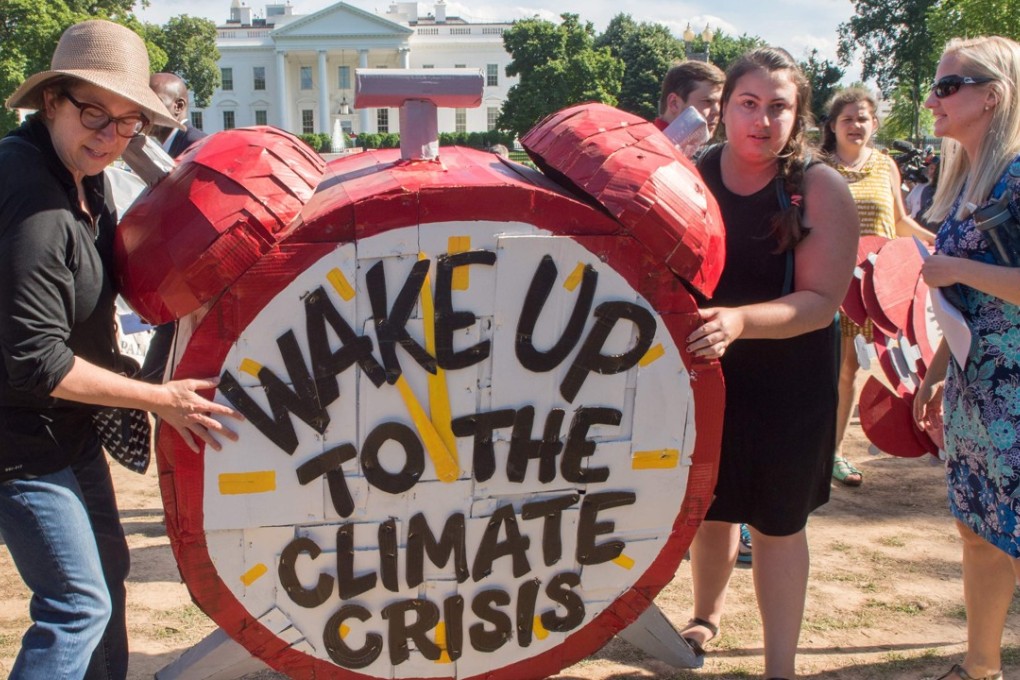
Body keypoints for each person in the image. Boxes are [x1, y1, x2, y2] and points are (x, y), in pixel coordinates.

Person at [0, 20, 241, 679]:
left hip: (66, 426)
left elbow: (119, 282)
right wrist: (160, 399)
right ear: (51, 102)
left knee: (108, 572)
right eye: (93, 114)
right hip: (18, 439)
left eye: (128, 123)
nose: (109, 138)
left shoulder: (85, 177)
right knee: (76, 603)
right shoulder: (32, 199)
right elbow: (35, 361)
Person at [683, 47, 857, 679]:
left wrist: (738, 321)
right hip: (710, 373)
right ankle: (704, 618)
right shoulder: (692, 174)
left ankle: (779, 667)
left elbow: (819, 303)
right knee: (712, 507)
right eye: (748, 104)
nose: (762, 120)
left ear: (799, 116)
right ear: (725, 108)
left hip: (792, 382)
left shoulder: (818, 186)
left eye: (778, 107)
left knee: (779, 523)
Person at [914, 35, 1020, 680]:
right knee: (977, 530)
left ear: (992, 95)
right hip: (974, 386)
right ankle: (980, 668)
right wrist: (932, 374)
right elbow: (960, 301)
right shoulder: (964, 182)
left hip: (1014, 391)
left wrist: (953, 265)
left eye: (947, 86)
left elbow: (963, 278)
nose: (932, 99)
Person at [820, 87, 935, 487]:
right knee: (823, 369)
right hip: (828, 284)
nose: (856, 125)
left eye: (863, 118)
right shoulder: (818, 168)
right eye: (847, 118)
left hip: (873, 290)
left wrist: (934, 244)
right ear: (832, 125)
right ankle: (808, 452)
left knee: (850, 370)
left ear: (874, 124)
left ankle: (833, 454)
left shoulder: (886, 166)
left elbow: (900, 222)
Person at [140, 74, 209, 383]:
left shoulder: (198, 147)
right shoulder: (149, 148)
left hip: (190, 284)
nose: (143, 112)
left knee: (155, 377)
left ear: (179, 106)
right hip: (172, 284)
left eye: (153, 103)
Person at [654, 60, 725, 137]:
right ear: (674, 103)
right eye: (708, 101)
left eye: (720, 103)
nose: (718, 111)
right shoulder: (648, 146)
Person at [148, 73, 207, 159]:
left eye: (154, 103)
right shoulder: (170, 145)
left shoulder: (196, 146)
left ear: (179, 106)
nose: (144, 109)